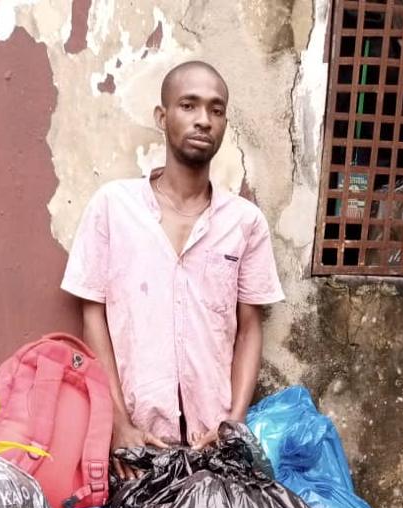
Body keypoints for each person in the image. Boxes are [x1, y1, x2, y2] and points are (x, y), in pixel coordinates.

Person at [61, 60, 284, 478]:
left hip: (211, 447)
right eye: (189, 105)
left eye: (216, 110)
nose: (204, 120)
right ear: (162, 117)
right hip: (138, 446)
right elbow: (93, 315)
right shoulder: (113, 207)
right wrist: (118, 423)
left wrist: (232, 425)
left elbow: (249, 327)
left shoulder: (245, 222)